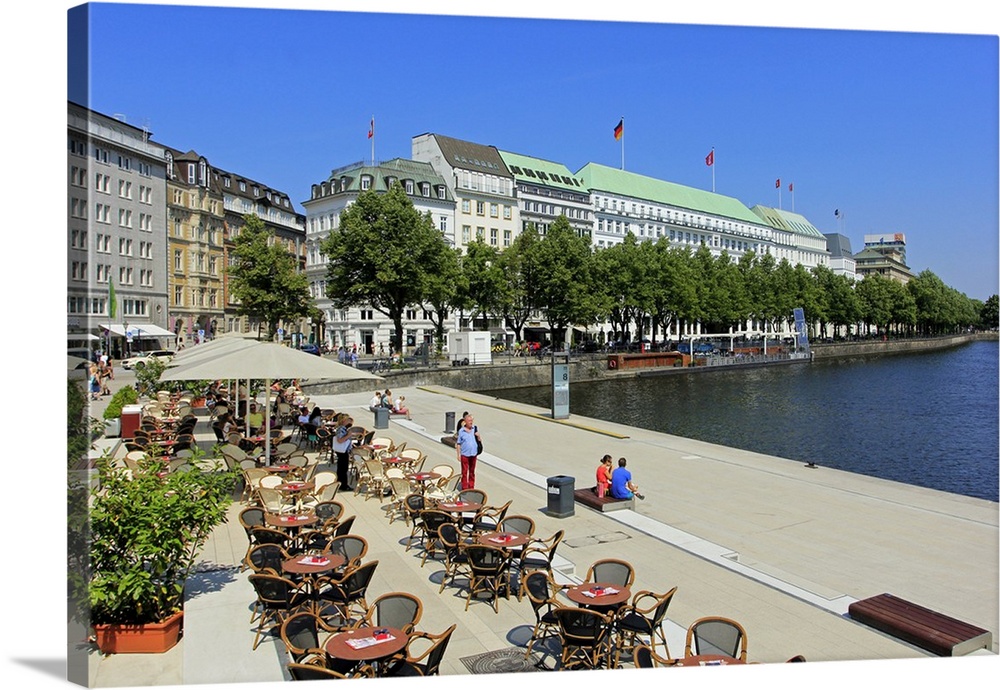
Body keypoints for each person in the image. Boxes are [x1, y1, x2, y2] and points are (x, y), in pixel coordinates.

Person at [455, 413, 482, 490]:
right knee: (464, 472)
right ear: (465, 422)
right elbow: (458, 443)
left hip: (473, 454)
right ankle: (464, 487)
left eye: (472, 421)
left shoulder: (475, 429)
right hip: (465, 454)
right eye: (469, 421)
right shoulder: (461, 431)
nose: (471, 422)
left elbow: (479, 441)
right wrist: (458, 454)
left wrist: (479, 436)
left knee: (472, 471)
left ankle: (471, 487)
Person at [332, 415, 357, 489]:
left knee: (341, 468)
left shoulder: (343, 428)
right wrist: (348, 435)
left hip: (343, 450)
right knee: (343, 468)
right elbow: (340, 440)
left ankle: (340, 483)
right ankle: (343, 485)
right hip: (342, 451)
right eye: (347, 420)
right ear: (344, 421)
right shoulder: (341, 429)